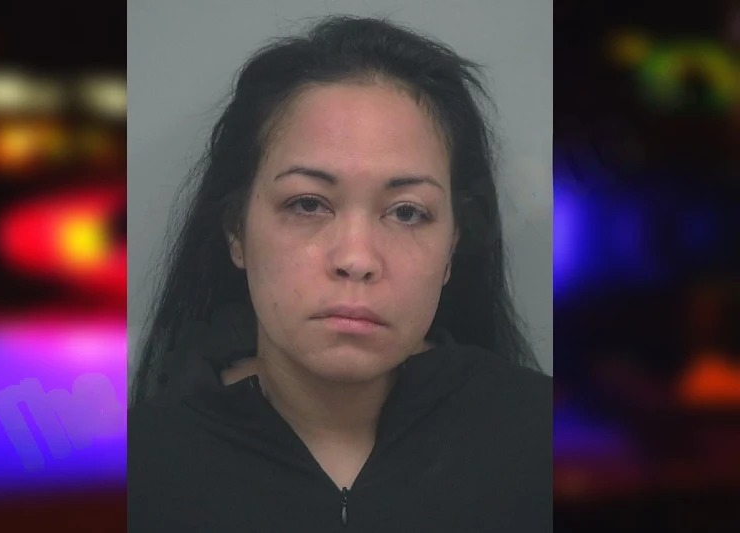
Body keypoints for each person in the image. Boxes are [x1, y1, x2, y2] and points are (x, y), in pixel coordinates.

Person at [128, 15, 551, 532]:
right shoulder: (138, 470)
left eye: (407, 212)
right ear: (237, 231)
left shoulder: (549, 444)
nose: (357, 258)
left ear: (452, 246)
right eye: (308, 204)